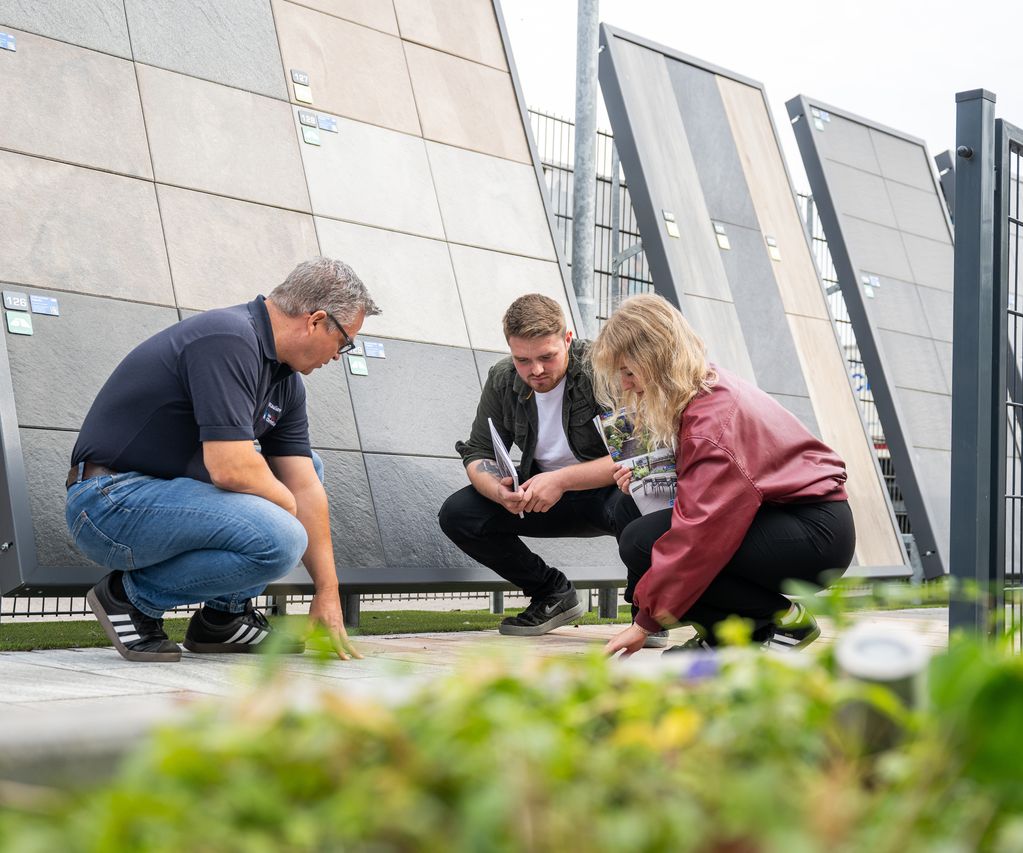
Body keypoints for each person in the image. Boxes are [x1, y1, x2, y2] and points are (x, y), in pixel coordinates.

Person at [66, 258, 379, 663]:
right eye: (344, 341)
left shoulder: (285, 383)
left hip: (164, 497)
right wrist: (285, 508)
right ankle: (129, 598)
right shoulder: (228, 338)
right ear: (316, 321)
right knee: (282, 536)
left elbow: (305, 483)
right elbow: (229, 466)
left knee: (307, 469)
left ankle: (223, 618)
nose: (339, 356)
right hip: (108, 502)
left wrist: (327, 591)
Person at [590, 294, 856, 656]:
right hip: (789, 517)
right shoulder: (704, 386)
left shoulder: (710, 424)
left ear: (655, 360)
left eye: (629, 371)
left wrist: (645, 623)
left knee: (645, 542)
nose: (624, 384)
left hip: (814, 533)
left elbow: (698, 538)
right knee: (630, 513)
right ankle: (725, 635)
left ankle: (781, 621)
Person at [439, 294, 641, 638]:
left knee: (639, 496)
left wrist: (560, 480)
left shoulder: (602, 370)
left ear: (568, 339)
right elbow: (479, 451)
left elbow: (631, 456)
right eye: (523, 360)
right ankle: (551, 593)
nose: (535, 370)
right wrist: (498, 491)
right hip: (539, 496)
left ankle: (646, 609)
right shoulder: (502, 378)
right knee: (459, 513)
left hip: (608, 491)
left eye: (547, 357)